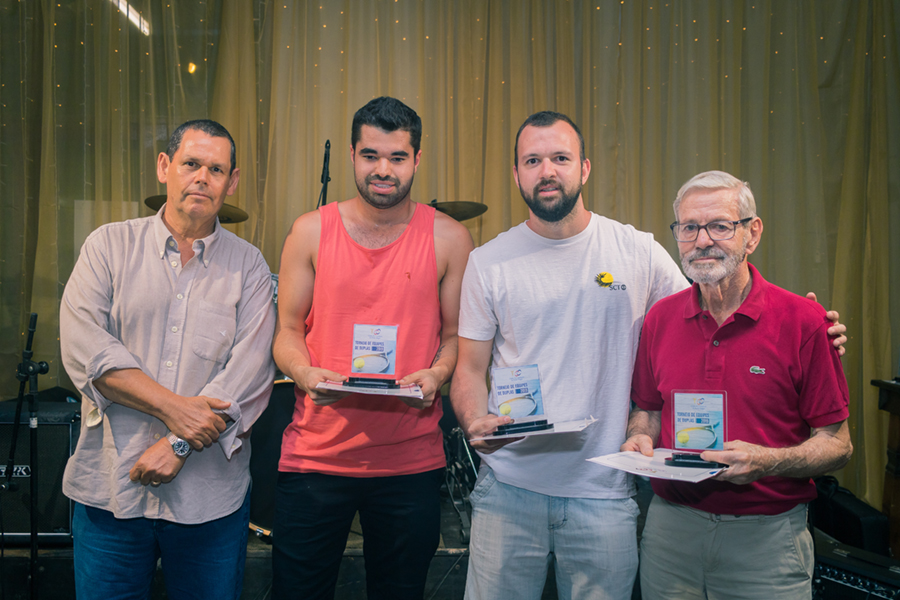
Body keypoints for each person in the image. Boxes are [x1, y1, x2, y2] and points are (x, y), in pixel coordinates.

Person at [450, 113, 847, 600]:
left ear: (585, 168)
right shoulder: (488, 261)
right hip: (508, 488)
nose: (547, 171)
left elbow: (711, 303)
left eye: (560, 158)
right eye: (532, 161)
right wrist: (474, 421)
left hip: (604, 492)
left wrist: (808, 327)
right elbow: (469, 368)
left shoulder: (636, 251)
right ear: (516, 174)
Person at [59, 119, 276, 600]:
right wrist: (176, 410)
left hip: (210, 503)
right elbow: (87, 349)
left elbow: (249, 374)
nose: (202, 177)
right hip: (110, 493)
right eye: (191, 163)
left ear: (232, 182)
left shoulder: (250, 267)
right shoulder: (107, 246)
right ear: (164, 167)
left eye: (216, 169)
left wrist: (177, 444)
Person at [271, 96, 474, 600]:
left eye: (397, 157)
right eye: (370, 155)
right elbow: (287, 330)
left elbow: (455, 337)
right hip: (316, 457)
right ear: (352, 155)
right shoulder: (310, 231)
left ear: (417, 160)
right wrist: (304, 373)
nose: (383, 169)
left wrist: (437, 374)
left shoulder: (450, 238)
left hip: (410, 462)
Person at [622, 170, 852, 600]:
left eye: (720, 226)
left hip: (766, 541)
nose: (702, 240)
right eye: (689, 227)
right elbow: (649, 409)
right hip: (671, 533)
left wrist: (768, 461)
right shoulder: (660, 319)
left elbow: (838, 445)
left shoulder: (804, 322)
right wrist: (639, 436)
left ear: (752, 234)